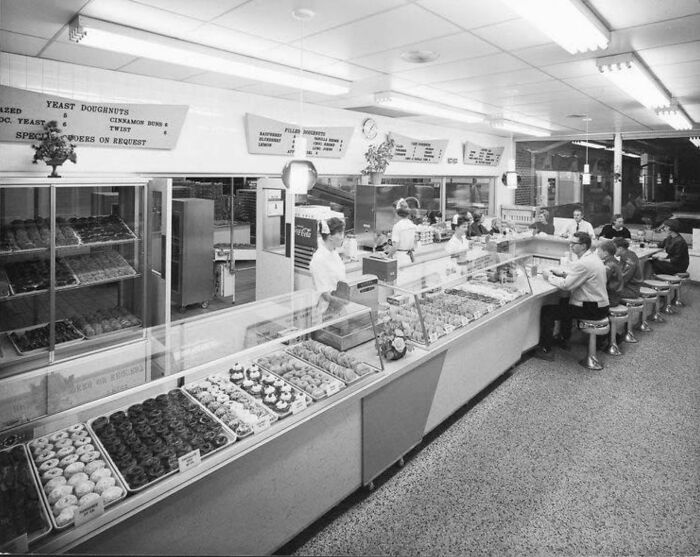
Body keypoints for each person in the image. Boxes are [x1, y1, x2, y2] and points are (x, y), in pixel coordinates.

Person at [535, 232, 609, 360]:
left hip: (592, 309)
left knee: (548, 311)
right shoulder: (592, 258)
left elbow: (566, 285)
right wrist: (563, 273)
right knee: (565, 302)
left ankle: (545, 349)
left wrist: (549, 276)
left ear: (584, 246)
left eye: (574, 243)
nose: (570, 246)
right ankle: (564, 339)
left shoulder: (584, 263)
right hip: (600, 305)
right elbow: (579, 276)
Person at [309, 217, 346, 299]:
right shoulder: (318, 259)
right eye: (340, 233)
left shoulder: (334, 253)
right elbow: (324, 293)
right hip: (326, 307)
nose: (342, 237)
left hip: (338, 302)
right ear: (330, 237)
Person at [387, 198, 417, 265]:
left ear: (397, 213)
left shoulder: (397, 226)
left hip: (400, 258)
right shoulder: (412, 224)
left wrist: (388, 256)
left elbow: (395, 246)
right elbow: (415, 243)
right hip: (409, 257)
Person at [597, 240, 623, 307]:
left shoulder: (609, 265)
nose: (597, 253)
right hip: (614, 296)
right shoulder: (613, 261)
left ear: (605, 253)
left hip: (610, 299)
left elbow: (600, 281)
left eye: (599, 251)